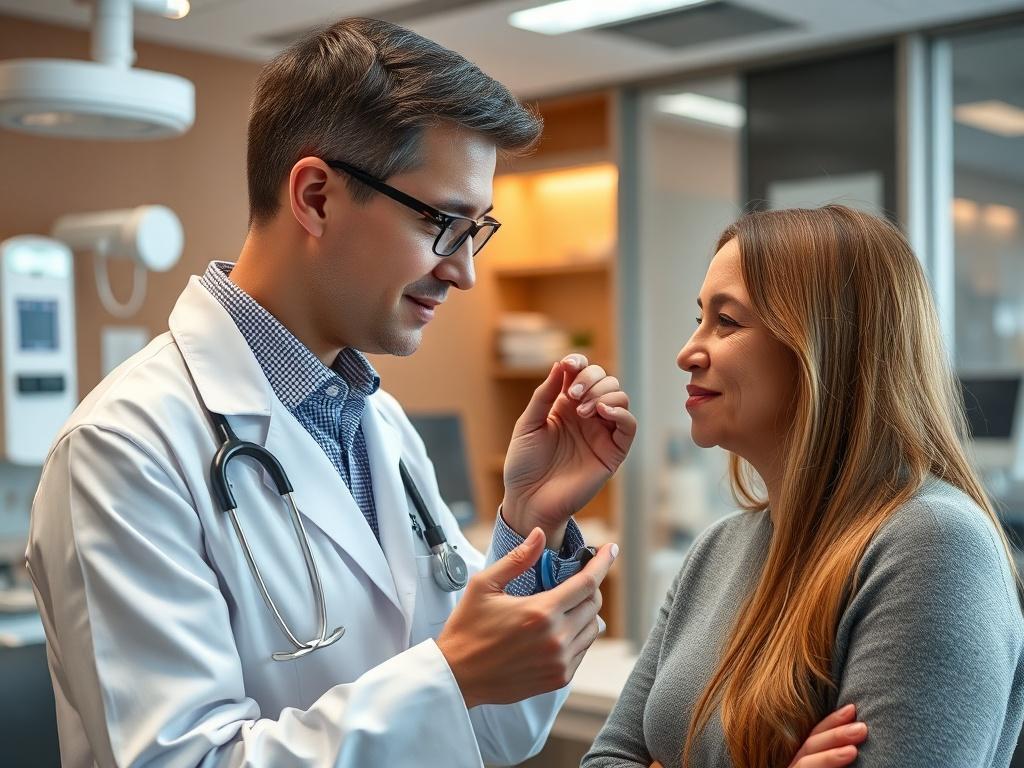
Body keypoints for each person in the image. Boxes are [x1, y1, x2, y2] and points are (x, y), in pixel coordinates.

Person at [25, 18, 639, 767]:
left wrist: (526, 522)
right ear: (316, 196)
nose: (464, 272)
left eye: (476, 232)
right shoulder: (123, 449)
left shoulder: (378, 424)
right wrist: (447, 676)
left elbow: (488, 734)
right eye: (444, 224)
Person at [583, 205, 1024, 768]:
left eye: (728, 322)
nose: (688, 352)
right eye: (701, 318)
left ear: (822, 346)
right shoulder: (717, 550)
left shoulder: (935, 546)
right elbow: (607, 760)